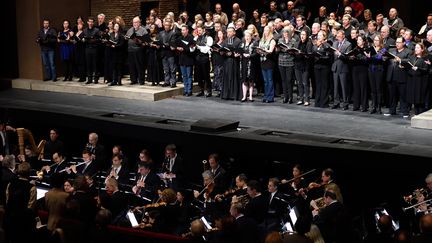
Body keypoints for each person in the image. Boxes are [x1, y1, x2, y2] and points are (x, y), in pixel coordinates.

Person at [4, 162, 37, 242]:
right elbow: (30, 208)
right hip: (23, 222)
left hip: (10, 218)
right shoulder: (32, 188)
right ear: (29, 173)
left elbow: (8, 200)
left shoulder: (10, 184)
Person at [384, 37, 412, 118]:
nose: (397, 44)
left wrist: (400, 60)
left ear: (403, 43)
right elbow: (386, 59)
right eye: (396, 42)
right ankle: (391, 110)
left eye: (399, 42)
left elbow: (409, 61)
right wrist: (384, 58)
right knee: (392, 95)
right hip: (391, 75)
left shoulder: (408, 52)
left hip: (401, 76)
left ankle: (405, 111)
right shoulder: (392, 51)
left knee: (403, 95)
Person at [331, 29, 352, 110]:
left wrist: (340, 54)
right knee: (335, 87)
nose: (338, 38)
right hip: (335, 67)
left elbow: (347, 57)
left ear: (343, 36)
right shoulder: (335, 43)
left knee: (344, 87)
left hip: (343, 68)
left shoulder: (348, 44)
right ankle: (336, 102)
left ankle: (345, 103)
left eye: (339, 36)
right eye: (337, 36)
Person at [406, 43, 429, 116]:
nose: (416, 49)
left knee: (420, 97)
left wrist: (418, 69)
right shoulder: (412, 57)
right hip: (413, 80)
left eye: (418, 48)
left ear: (422, 49)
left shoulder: (425, 58)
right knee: (414, 97)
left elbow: (426, 69)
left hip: (421, 81)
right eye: (415, 47)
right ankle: (415, 112)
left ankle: (420, 113)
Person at [366, 35, 387, 114]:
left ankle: (379, 106)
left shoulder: (383, 49)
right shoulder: (371, 49)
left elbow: (378, 58)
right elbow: (368, 60)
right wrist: (368, 57)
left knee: (378, 89)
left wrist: (370, 57)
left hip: (379, 70)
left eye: (377, 40)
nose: (375, 41)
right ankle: (373, 106)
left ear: (380, 41)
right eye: (374, 40)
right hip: (371, 70)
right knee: (373, 89)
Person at [220, 26, 242, 100]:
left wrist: (233, 54)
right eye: (227, 32)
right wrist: (224, 53)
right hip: (226, 61)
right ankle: (226, 94)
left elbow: (240, 51)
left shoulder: (238, 40)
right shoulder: (225, 40)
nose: (228, 33)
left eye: (230, 32)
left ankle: (234, 95)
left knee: (234, 77)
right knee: (226, 77)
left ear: (234, 32)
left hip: (234, 62)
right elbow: (222, 50)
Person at [125, 16, 148, 85]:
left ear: (139, 23)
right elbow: (127, 37)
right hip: (130, 50)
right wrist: (126, 38)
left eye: (136, 22)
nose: (134, 24)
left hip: (139, 50)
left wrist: (140, 41)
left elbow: (146, 41)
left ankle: (141, 80)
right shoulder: (130, 30)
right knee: (132, 66)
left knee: (140, 66)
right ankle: (133, 80)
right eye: (133, 22)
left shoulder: (143, 30)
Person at [313, 30, 332, 108]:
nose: (319, 37)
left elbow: (328, 56)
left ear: (324, 37)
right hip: (317, 66)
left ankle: (324, 103)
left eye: (320, 35)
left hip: (324, 67)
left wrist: (322, 44)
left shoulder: (327, 45)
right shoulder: (315, 45)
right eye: (318, 35)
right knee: (318, 84)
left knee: (324, 85)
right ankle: (317, 102)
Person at [350, 35, 369, 112]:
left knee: (363, 88)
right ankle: (356, 105)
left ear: (363, 41)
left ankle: (364, 106)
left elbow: (367, 59)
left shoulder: (366, 49)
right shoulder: (355, 48)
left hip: (363, 69)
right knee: (356, 87)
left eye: (360, 40)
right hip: (355, 69)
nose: (358, 41)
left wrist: (360, 57)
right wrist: (351, 58)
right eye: (357, 39)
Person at [258, 25, 277, 103]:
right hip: (263, 61)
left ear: (269, 31)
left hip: (269, 61)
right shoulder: (261, 40)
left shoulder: (272, 40)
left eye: (267, 30)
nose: (265, 32)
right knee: (265, 81)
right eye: (264, 30)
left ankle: (270, 97)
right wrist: (259, 51)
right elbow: (259, 48)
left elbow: (271, 51)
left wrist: (264, 50)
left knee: (269, 80)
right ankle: (266, 96)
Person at [277, 27, 296, 104]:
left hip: (290, 62)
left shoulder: (293, 41)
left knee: (289, 80)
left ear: (289, 33)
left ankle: (290, 97)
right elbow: (278, 50)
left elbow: (294, 51)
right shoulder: (280, 40)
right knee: (283, 80)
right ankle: (285, 96)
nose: (285, 34)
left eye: (287, 33)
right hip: (281, 61)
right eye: (284, 33)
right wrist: (278, 49)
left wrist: (289, 50)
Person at [294, 30, 313, 106]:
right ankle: (301, 99)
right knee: (299, 83)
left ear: (307, 35)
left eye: (304, 34)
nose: (302, 36)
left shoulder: (309, 43)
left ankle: (307, 99)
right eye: (301, 34)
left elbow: (309, 55)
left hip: (305, 65)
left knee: (305, 83)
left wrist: (302, 54)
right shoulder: (297, 43)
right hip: (297, 65)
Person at [194, 25, 214, 97]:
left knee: (206, 75)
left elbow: (207, 49)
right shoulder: (196, 38)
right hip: (198, 58)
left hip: (205, 58)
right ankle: (201, 90)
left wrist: (198, 47)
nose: (198, 32)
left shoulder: (208, 38)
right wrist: (193, 47)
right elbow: (193, 48)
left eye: (200, 30)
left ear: (204, 30)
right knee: (199, 75)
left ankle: (208, 90)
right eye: (198, 30)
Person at [240, 30, 258, 102]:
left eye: (248, 36)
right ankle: (244, 96)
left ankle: (250, 96)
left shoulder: (254, 43)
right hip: (244, 63)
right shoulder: (242, 43)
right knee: (244, 80)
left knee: (250, 80)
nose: (247, 37)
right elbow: (240, 51)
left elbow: (256, 54)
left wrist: (249, 55)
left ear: (251, 36)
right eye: (246, 36)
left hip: (251, 63)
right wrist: (241, 54)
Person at [83, 16, 101, 84]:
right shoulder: (85, 30)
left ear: (93, 23)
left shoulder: (96, 30)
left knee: (95, 64)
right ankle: (89, 79)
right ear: (87, 22)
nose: (90, 23)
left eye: (91, 22)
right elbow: (83, 39)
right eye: (89, 22)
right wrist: (84, 40)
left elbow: (99, 39)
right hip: (87, 49)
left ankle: (96, 79)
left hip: (94, 49)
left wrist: (92, 40)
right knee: (88, 64)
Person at [160, 20, 177, 88]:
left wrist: (165, 45)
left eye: (167, 25)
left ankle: (173, 82)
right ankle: (167, 81)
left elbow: (172, 42)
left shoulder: (173, 33)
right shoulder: (161, 33)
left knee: (172, 69)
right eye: (165, 25)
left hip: (170, 53)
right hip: (163, 53)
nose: (166, 26)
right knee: (166, 69)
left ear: (170, 26)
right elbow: (159, 41)